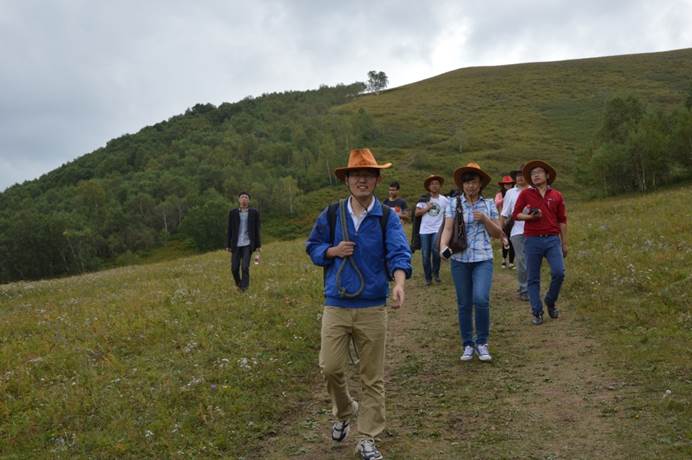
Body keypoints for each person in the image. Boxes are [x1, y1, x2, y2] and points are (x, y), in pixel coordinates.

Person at [306, 148, 412, 460]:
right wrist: (331, 251)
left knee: (372, 376)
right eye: (356, 175)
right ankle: (344, 410)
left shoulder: (386, 218)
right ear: (347, 180)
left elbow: (399, 253)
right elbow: (312, 246)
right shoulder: (331, 214)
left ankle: (367, 437)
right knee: (329, 367)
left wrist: (400, 283)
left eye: (368, 175)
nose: (361, 180)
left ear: (377, 180)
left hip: (372, 308)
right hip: (336, 304)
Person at [439, 162, 502, 362]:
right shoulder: (453, 203)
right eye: (466, 183)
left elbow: (497, 233)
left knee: (481, 299)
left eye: (473, 182)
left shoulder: (489, 204)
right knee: (464, 303)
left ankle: (482, 342)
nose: (470, 186)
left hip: (483, 258)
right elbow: (448, 228)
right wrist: (442, 247)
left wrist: (485, 219)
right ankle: (467, 344)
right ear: (462, 185)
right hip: (459, 259)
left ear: (480, 183)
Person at [512, 160, 567, 325]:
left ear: (547, 175)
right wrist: (530, 217)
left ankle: (550, 300)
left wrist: (564, 243)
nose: (535, 175)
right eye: (532, 173)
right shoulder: (526, 194)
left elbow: (562, 220)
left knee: (559, 272)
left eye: (539, 172)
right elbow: (516, 214)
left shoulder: (557, 195)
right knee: (533, 278)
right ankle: (537, 311)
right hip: (532, 239)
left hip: (552, 239)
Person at [500, 168, 530, 301]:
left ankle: (531, 286)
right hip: (516, 231)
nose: (520, 178)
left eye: (522, 175)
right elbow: (504, 213)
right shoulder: (510, 193)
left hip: (534, 231)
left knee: (533, 261)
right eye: (517, 176)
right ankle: (524, 289)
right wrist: (501, 233)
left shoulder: (534, 190)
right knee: (521, 260)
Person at [414, 175, 449, 285]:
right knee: (425, 255)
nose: (434, 186)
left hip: (437, 229)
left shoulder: (444, 200)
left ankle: (436, 274)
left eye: (437, 184)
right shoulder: (424, 199)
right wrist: (426, 208)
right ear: (428, 187)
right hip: (424, 230)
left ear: (440, 186)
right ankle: (428, 278)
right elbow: (416, 213)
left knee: (435, 251)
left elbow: (448, 214)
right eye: (432, 184)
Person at [226, 192, 261, 292]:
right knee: (234, 268)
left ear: (248, 201)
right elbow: (230, 229)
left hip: (248, 244)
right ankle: (239, 283)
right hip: (236, 244)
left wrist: (258, 245)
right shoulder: (233, 213)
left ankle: (244, 288)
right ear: (239, 200)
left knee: (245, 267)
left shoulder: (254, 212)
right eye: (242, 197)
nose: (244, 199)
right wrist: (228, 244)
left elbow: (257, 229)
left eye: (246, 197)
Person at [495, 175, 516, 269]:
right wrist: (506, 197)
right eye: (506, 184)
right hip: (503, 219)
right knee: (504, 239)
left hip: (513, 219)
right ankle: (504, 259)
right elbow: (496, 203)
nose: (507, 185)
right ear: (503, 185)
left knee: (513, 239)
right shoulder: (499, 194)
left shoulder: (515, 193)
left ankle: (511, 262)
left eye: (509, 184)